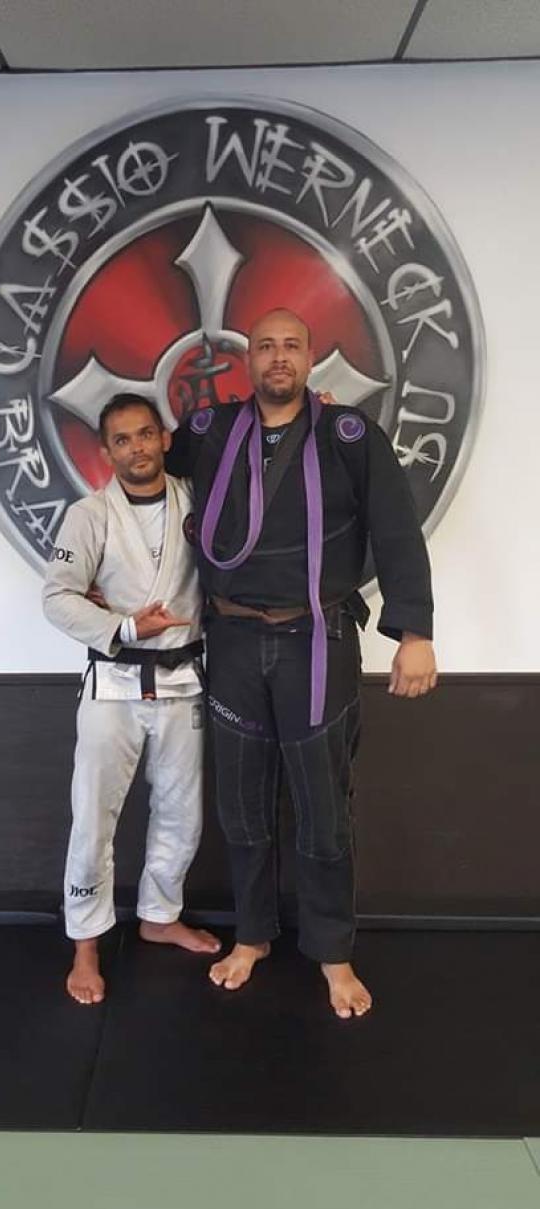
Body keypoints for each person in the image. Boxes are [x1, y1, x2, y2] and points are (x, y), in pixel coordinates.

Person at [165, 308, 437, 1018]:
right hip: (231, 640)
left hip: (317, 640)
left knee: (322, 805)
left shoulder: (348, 436)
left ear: (311, 358)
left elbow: (396, 529)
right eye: (265, 346)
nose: (278, 356)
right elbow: (148, 490)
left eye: (291, 345)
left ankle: (332, 952)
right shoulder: (209, 431)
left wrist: (414, 631)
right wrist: (107, 574)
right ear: (247, 359)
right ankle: (252, 936)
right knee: (241, 801)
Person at [43, 393, 220, 1005]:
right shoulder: (89, 515)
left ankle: (160, 916)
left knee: (182, 813)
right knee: (94, 814)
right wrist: (123, 626)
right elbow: (58, 597)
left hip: (182, 679)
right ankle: (86, 941)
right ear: (106, 451)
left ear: (165, 438)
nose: (137, 448)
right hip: (113, 683)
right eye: (122, 440)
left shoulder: (197, 501)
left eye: (146, 434)